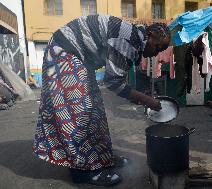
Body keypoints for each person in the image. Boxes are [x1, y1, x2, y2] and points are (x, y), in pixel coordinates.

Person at [33, 14, 170, 186]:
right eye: (157, 47)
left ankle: (102, 159)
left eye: (160, 50)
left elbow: (118, 74)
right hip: (64, 53)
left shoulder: (135, 38)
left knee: (95, 111)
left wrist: (140, 98)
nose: (156, 53)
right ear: (149, 36)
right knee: (79, 114)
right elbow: (114, 82)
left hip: (79, 58)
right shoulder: (128, 40)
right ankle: (83, 172)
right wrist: (147, 100)